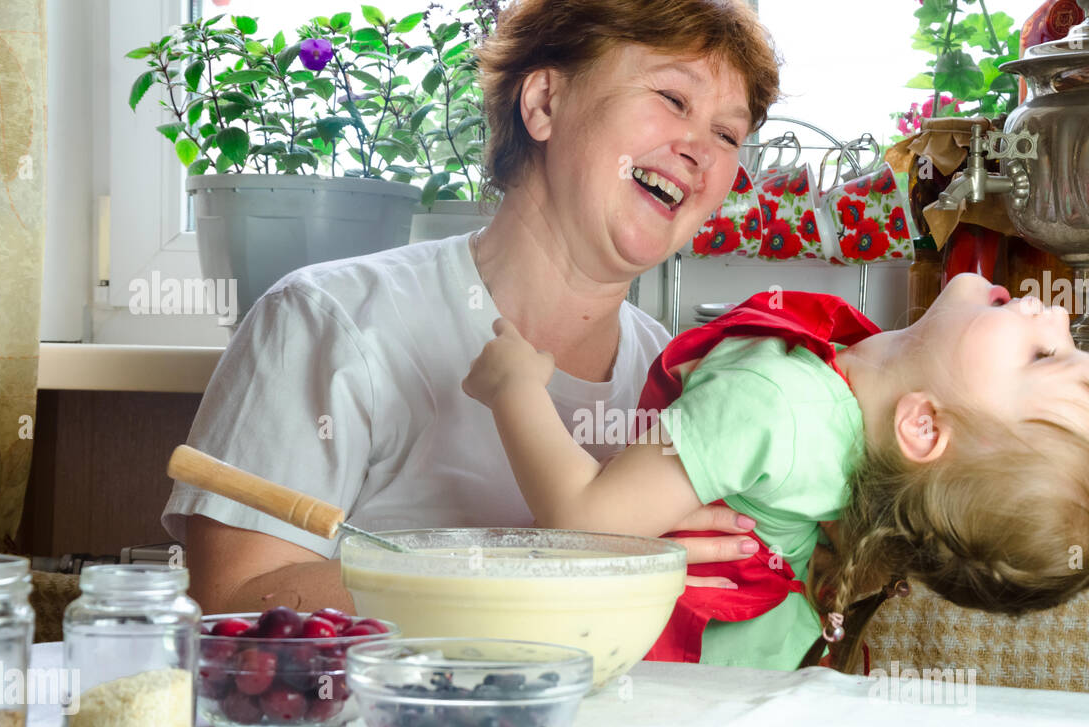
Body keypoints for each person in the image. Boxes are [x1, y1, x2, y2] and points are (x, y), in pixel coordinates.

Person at [161, 0, 782, 613]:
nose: (701, 149)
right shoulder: (327, 319)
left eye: (728, 134)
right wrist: (547, 566)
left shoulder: (687, 385)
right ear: (544, 103)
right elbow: (230, 602)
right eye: (673, 99)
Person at [462, 273, 1089, 672]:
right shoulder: (837, 394)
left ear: (923, 426)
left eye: (1044, 357)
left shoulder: (781, 405)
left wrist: (514, 387)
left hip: (644, 699)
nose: (1059, 313)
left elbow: (580, 524)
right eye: (1068, 344)